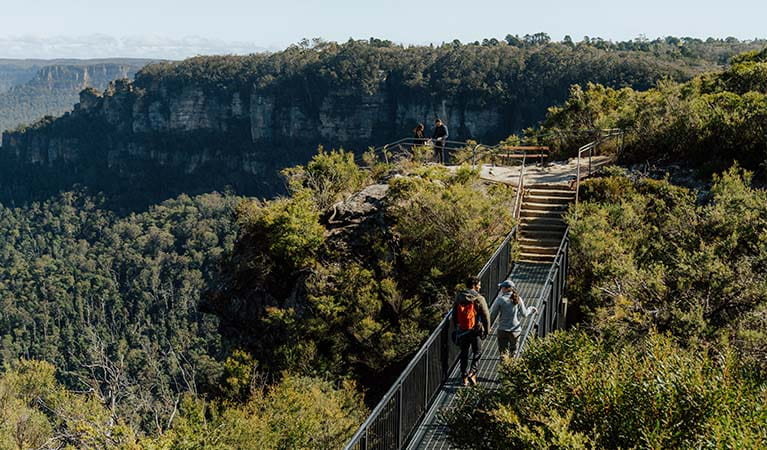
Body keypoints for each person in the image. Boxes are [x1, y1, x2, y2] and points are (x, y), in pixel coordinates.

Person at [452, 275, 490, 386]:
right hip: (475, 330)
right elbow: (486, 315)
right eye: (479, 285)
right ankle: (472, 372)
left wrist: (457, 327)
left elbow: (455, 313)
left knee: (463, 353)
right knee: (477, 351)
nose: (480, 287)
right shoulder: (479, 298)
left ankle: (464, 377)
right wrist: (486, 330)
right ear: (474, 285)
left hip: (463, 330)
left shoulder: (459, 296)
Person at [494, 280, 537, 357]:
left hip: (503, 329)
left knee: (503, 353)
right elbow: (524, 314)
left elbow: (493, 314)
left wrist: (487, 327)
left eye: (502, 287)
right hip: (515, 330)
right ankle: (512, 367)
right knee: (514, 352)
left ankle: (504, 367)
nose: (501, 289)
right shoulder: (518, 299)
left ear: (506, 289)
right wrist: (531, 309)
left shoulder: (500, 299)